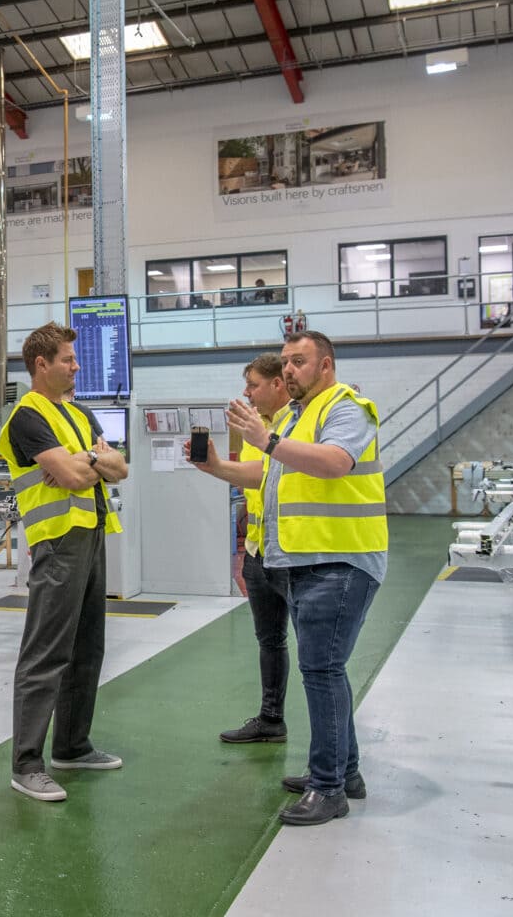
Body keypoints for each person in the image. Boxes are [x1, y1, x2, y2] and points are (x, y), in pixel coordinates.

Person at [188, 330, 387, 826]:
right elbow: (268, 475)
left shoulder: (348, 407)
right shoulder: (298, 417)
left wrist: (267, 439)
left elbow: (337, 462)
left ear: (326, 365)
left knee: (320, 670)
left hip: (340, 559)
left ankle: (328, 787)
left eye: (299, 362)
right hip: (306, 560)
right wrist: (216, 467)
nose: (289, 370)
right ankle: (346, 771)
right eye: (286, 362)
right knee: (326, 669)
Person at [0, 321, 129, 803]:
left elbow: (120, 467)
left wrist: (86, 463)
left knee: (88, 648)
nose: (76, 367)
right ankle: (26, 763)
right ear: (42, 365)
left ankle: (72, 746)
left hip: (93, 536)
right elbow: (77, 476)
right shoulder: (27, 417)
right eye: (69, 360)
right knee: (46, 653)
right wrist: (88, 464)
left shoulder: (78, 413)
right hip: (56, 543)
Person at [219, 353, 294, 746]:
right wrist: (215, 466)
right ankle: (271, 718)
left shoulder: (296, 425)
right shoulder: (256, 427)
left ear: (277, 384)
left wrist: (216, 467)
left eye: (253, 385)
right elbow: (254, 479)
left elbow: (262, 472)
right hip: (258, 551)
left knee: (321, 661)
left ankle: (334, 757)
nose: (246, 393)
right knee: (269, 640)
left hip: (296, 554)